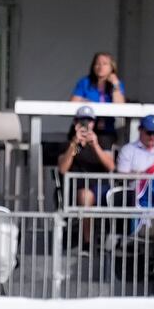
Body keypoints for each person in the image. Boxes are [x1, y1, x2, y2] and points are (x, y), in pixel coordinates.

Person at [58, 105, 115, 247]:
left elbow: (111, 166)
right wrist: (74, 144)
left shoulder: (102, 141)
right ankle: (87, 243)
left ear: (94, 123)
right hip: (76, 189)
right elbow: (63, 168)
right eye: (81, 121)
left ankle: (108, 241)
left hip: (100, 188)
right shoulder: (71, 144)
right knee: (85, 196)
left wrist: (94, 145)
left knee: (91, 196)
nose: (85, 125)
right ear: (75, 122)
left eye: (89, 121)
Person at [70, 52, 126, 143]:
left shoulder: (117, 84)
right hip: (83, 128)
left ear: (112, 67)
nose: (100, 67)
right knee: (77, 149)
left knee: (105, 150)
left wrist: (115, 84)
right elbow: (72, 104)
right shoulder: (85, 82)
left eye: (104, 64)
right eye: (97, 63)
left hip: (106, 131)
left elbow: (120, 107)